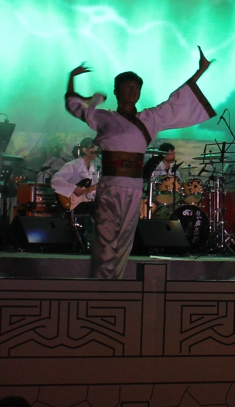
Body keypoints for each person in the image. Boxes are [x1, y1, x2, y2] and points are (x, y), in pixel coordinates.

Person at [65, 48, 215, 280]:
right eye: (128, 86)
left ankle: (114, 284)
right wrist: (71, 78)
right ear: (116, 91)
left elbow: (175, 102)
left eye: (137, 87)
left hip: (134, 186)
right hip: (111, 185)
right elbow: (75, 107)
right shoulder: (104, 117)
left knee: (125, 238)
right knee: (105, 237)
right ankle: (100, 285)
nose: (133, 90)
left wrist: (200, 71)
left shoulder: (150, 118)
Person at [52, 138, 101, 213]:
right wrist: (74, 188)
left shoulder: (92, 168)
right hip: (74, 204)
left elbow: (92, 191)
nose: (96, 153)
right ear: (85, 150)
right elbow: (55, 180)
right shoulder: (72, 165)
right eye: (94, 149)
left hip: (86, 203)